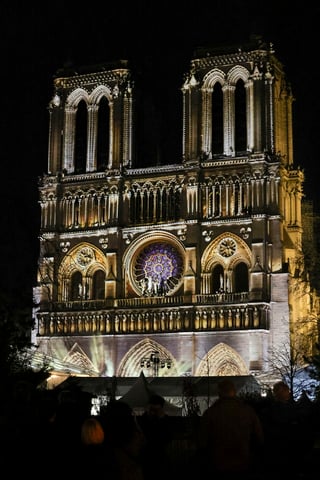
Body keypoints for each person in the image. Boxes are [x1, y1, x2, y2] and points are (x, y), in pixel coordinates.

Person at [196, 379, 264, 479]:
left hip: (219, 462)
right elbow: (259, 436)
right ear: (234, 392)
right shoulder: (248, 411)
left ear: (219, 393)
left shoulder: (211, 413)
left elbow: (202, 440)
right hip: (242, 460)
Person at [139, 394, 174, 480]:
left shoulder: (165, 420)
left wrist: (161, 419)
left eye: (156, 410)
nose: (152, 413)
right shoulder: (142, 420)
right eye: (151, 409)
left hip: (158, 457)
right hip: (147, 457)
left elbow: (168, 437)